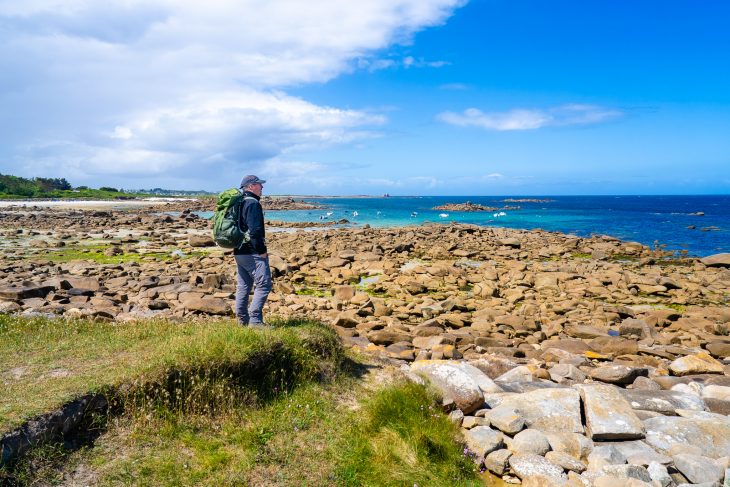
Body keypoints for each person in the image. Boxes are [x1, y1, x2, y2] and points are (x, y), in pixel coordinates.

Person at [234, 175, 272, 326]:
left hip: (239, 251)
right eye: (259, 184)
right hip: (252, 252)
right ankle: (255, 321)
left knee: (244, 285)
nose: (262, 187)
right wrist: (261, 250)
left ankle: (242, 320)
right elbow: (255, 231)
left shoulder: (239, 203)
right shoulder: (252, 203)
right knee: (264, 284)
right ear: (250, 186)